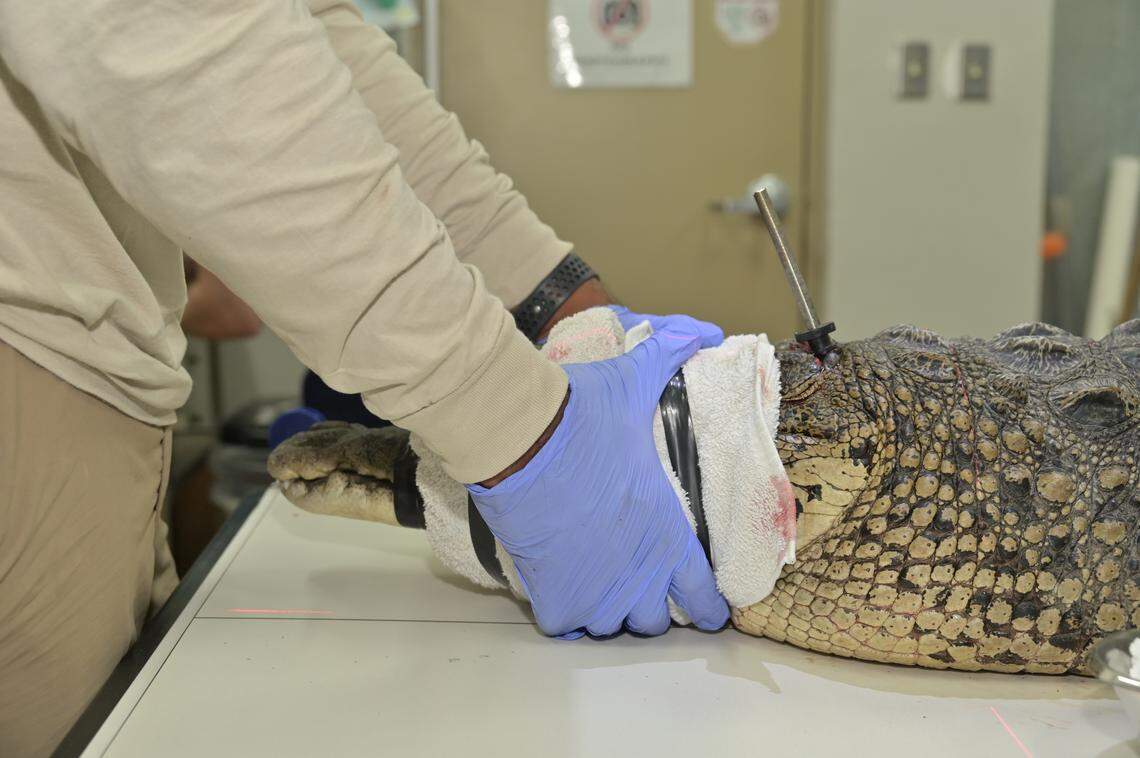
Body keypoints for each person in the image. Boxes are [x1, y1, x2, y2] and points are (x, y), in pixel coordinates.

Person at [0, 1, 729, 753]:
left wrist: (558, 300)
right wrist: (523, 429)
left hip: (94, 383)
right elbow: (179, 49)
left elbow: (314, 35)